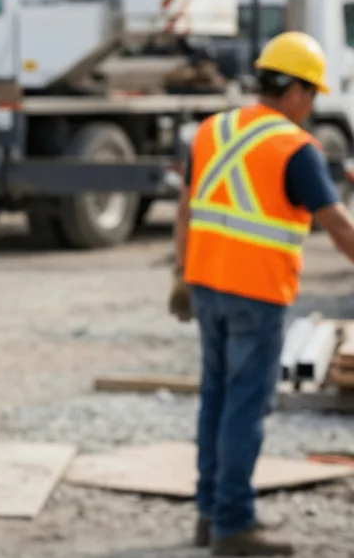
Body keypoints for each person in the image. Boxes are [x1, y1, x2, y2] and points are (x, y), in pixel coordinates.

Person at [169, 31, 354, 557]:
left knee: (217, 399)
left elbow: (185, 207)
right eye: (312, 92)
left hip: (206, 284)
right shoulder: (295, 148)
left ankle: (209, 515)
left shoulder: (212, 130)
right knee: (245, 407)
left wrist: (180, 275)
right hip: (256, 292)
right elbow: (339, 227)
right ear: (295, 90)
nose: (312, 104)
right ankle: (233, 525)